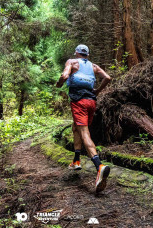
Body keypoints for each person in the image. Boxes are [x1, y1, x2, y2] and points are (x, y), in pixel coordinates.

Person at [56, 44, 111, 193]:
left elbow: (65, 75)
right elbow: (107, 77)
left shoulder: (72, 62)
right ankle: (76, 160)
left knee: (84, 132)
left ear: (76, 53)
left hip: (78, 102)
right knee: (76, 127)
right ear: (87, 54)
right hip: (91, 102)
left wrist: (59, 83)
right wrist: (98, 91)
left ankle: (99, 166)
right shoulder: (94, 66)